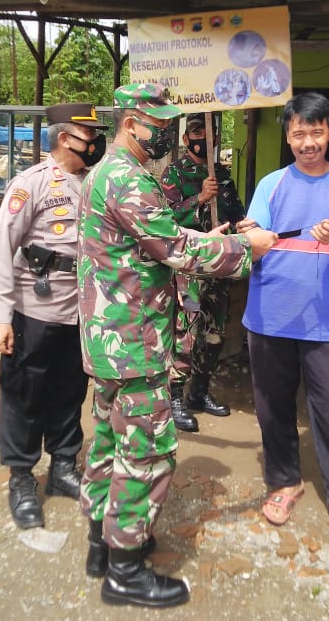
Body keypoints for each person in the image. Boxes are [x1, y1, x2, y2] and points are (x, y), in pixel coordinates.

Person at [78, 82, 276, 608]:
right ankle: (124, 571)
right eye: (157, 122)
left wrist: (222, 231)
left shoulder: (113, 173)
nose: (165, 130)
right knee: (145, 450)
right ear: (129, 123)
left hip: (110, 340)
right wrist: (243, 248)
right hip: (134, 341)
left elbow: (156, 236)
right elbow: (174, 247)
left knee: (107, 440)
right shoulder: (126, 177)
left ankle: (102, 539)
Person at [239, 91, 329, 544]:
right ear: (288, 135)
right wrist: (251, 234)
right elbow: (255, 240)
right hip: (269, 314)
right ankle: (285, 481)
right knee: (273, 408)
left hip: (325, 319)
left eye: (316, 132)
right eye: (299, 133)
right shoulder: (271, 184)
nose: (308, 142)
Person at [0, 102, 109, 530]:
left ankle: (62, 466)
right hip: (34, 309)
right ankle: (21, 477)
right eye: (88, 135)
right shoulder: (31, 184)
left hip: (80, 311)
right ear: (65, 139)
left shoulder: (94, 183)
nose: (95, 143)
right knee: (24, 394)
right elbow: (3, 247)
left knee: (69, 390)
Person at [160, 113, 246, 431]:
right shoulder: (175, 172)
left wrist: (244, 227)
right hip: (190, 269)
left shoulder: (221, 174)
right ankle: (175, 398)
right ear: (186, 139)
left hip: (218, 268)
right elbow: (165, 220)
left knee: (214, 334)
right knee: (188, 333)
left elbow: (236, 213)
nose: (202, 137)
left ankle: (199, 392)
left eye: (208, 131)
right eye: (196, 131)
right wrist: (200, 198)